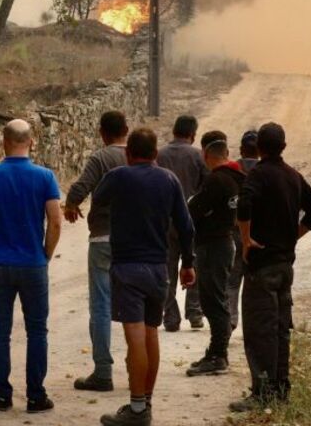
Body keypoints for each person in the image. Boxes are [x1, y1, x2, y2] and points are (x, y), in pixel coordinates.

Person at [93, 128, 196, 426]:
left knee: (134, 338)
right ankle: (145, 402)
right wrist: (188, 263)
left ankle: (137, 410)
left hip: (127, 267)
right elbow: (186, 227)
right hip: (158, 268)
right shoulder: (169, 179)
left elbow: (98, 200)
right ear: (155, 154)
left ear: (128, 153)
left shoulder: (119, 176)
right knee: (151, 334)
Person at [0, 119, 62, 414]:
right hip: (33, 264)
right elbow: (56, 221)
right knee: (37, 330)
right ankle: (36, 395)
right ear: (31, 142)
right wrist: (45, 253)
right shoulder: (45, 177)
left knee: (0, 331)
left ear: (3, 143)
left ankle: (2, 395)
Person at [230, 122, 311, 412]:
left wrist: (246, 239)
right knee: (281, 329)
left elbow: (244, 205)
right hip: (285, 266)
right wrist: (293, 234)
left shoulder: (257, 174)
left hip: (261, 267)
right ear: (283, 147)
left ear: (258, 147)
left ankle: (262, 393)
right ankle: (281, 389)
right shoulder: (292, 175)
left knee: (260, 331)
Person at [63, 110, 129, 391]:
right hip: (135, 243)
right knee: (134, 307)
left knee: (101, 306)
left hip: (102, 239)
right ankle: (137, 367)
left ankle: (103, 371)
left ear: (103, 133)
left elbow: (81, 187)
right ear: (126, 129)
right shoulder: (142, 155)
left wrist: (70, 205)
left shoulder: (101, 158)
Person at [186, 131, 245, 376]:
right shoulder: (238, 178)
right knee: (215, 298)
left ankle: (218, 354)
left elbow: (194, 208)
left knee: (213, 300)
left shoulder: (216, 180)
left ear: (206, 155)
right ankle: (216, 351)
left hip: (213, 246)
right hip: (226, 242)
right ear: (227, 154)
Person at [156, 115, 207, 331]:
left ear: (174, 131)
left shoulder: (160, 155)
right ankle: (195, 312)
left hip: (164, 221)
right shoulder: (198, 156)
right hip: (192, 221)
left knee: (167, 269)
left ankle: (170, 316)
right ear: (193, 134)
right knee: (193, 264)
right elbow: (206, 189)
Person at [227, 130, 261, 330]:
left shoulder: (232, 169)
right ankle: (254, 323)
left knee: (232, 282)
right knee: (254, 282)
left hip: (233, 233)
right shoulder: (264, 170)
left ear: (240, 149)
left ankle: (231, 318)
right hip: (257, 234)